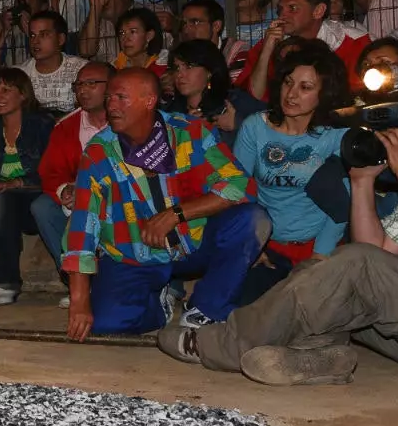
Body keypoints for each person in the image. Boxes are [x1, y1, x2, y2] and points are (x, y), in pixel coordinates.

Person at [161, 72, 398, 386]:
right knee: (326, 269)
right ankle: (322, 356)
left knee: (355, 266)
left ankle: (216, 345)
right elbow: (376, 250)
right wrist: (362, 182)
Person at [64, 69, 268, 340]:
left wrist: (176, 214)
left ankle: (206, 308)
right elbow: (82, 227)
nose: (111, 105)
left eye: (121, 97)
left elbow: (242, 186)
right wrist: (79, 300)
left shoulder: (191, 133)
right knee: (105, 326)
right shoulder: (99, 152)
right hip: (134, 256)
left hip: (192, 244)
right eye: (110, 97)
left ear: (149, 101)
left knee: (252, 219)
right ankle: (158, 308)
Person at [231, 46, 351, 299]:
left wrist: (320, 256)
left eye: (305, 88)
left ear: (324, 94)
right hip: (268, 246)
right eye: (288, 83)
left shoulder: (336, 136)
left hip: (320, 246)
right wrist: (250, 246)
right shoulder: (256, 126)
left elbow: (341, 206)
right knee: (242, 303)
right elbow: (238, 187)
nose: (291, 94)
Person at [0, 69, 56, 305]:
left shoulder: (42, 125)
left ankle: (6, 284)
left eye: (7, 90)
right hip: (2, 195)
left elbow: (50, 171)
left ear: (23, 94)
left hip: (32, 197)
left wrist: (16, 182)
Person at [34, 62, 113, 305]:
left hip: (118, 196)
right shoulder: (66, 127)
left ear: (112, 87)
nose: (83, 90)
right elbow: (51, 171)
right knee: (42, 207)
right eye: (79, 85)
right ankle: (78, 280)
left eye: (92, 84)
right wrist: (63, 189)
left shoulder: (130, 120)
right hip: (78, 199)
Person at [244, 0, 369, 98]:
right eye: (280, 9)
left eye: (292, 8)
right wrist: (266, 50)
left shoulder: (354, 42)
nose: (282, 15)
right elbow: (254, 96)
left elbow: (361, 95)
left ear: (318, 11)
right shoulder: (272, 41)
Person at [162, 39, 262, 147]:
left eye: (188, 66)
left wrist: (238, 124)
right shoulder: (169, 113)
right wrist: (183, 132)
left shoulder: (235, 102)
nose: (179, 74)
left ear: (209, 71)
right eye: (176, 68)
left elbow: (275, 131)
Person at [16, 10, 87, 113]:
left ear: (60, 39)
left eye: (44, 34)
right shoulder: (20, 75)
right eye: (32, 35)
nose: (35, 41)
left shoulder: (81, 69)